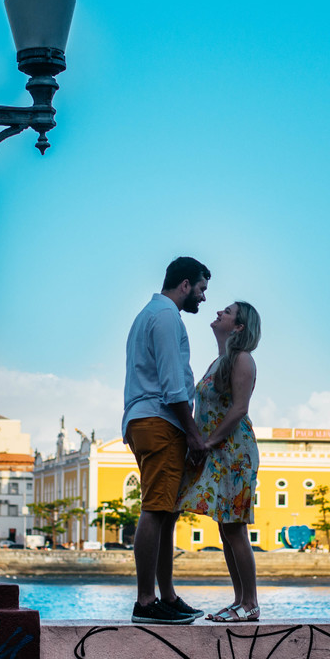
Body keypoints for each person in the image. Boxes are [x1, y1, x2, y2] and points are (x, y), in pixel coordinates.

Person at [122, 256, 211, 624]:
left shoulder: (150, 314)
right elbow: (173, 383)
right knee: (156, 509)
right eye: (202, 289)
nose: (204, 298)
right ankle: (146, 602)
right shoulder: (166, 317)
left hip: (147, 420)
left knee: (167, 512)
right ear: (185, 284)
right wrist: (193, 434)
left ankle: (167, 596)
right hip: (159, 421)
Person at [177, 300, 262, 622]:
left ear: (239, 327)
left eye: (227, 312)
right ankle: (239, 600)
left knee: (235, 527)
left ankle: (250, 603)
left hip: (234, 451)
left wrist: (209, 441)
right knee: (226, 527)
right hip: (217, 451)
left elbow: (239, 408)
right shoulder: (219, 361)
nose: (218, 313)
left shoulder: (242, 359)